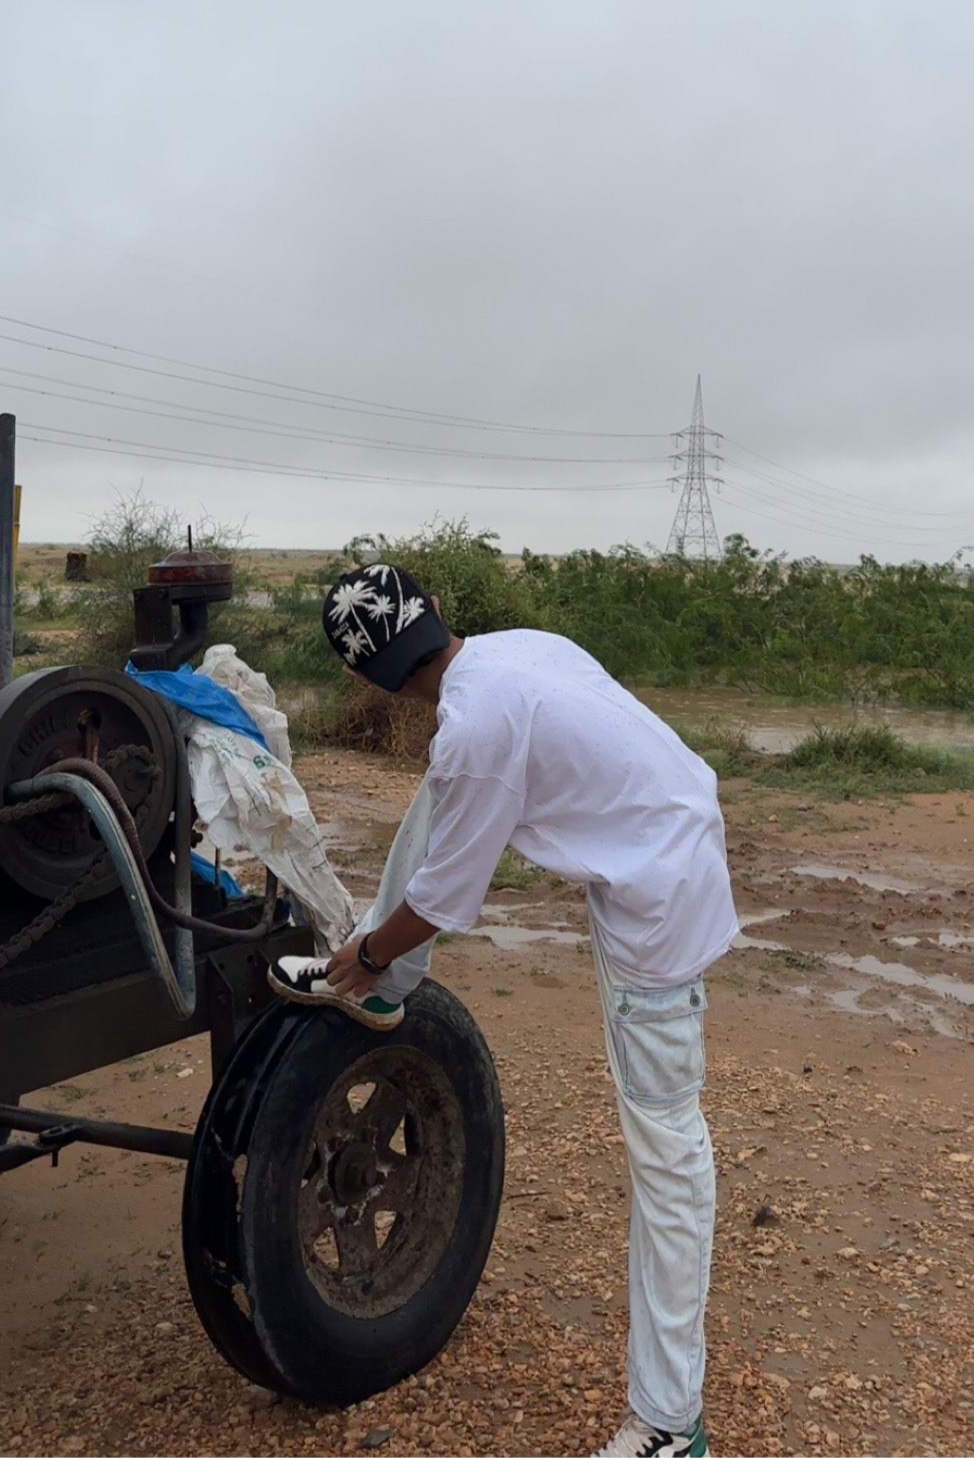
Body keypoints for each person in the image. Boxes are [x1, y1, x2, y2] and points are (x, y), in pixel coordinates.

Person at [270, 563, 736, 1458]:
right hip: (662, 839)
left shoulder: (473, 730)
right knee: (437, 792)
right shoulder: (517, 652)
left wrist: (364, 958)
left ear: (365, 678)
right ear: (437, 610)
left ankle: (672, 1425)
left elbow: (442, 900)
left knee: (669, 1151)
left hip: (659, 893)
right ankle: (391, 991)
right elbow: (473, 800)